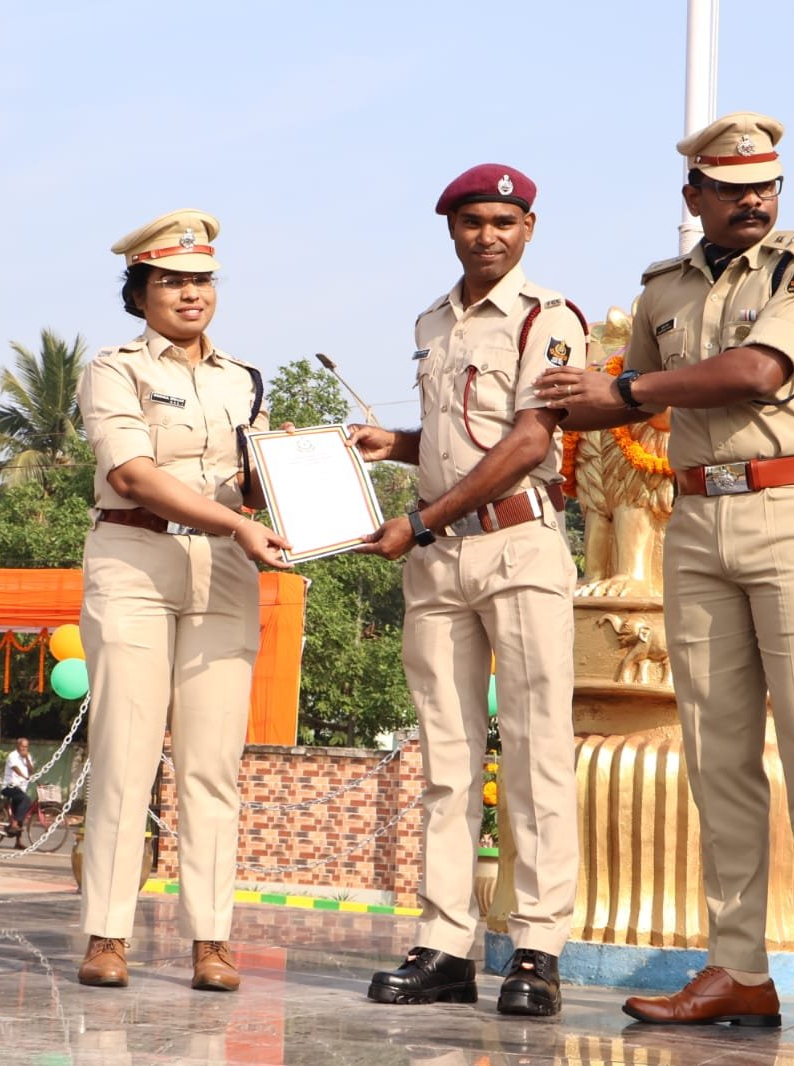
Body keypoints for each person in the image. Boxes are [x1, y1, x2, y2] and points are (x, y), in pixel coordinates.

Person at [535, 113, 794, 1043]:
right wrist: (540, 401)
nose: (752, 200)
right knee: (716, 757)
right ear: (694, 195)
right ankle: (739, 971)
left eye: (764, 184)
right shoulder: (662, 290)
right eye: (730, 189)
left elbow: (758, 369)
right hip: (694, 521)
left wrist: (622, 391)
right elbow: (617, 407)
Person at [352, 165, 584, 1017]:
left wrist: (420, 519)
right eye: (473, 221)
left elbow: (527, 443)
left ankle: (537, 949)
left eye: (504, 221)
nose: (488, 235)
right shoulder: (432, 321)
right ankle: (445, 946)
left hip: (517, 545)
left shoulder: (547, 318)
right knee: (446, 763)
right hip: (440, 557)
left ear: (529, 229)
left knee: (535, 753)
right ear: (450, 229)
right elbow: (460, 438)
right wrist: (397, 443)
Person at [75, 209, 291, 993]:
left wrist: (286, 470)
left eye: (202, 279)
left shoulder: (246, 379)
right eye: (172, 280)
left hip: (225, 568)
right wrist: (237, 518)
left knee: (212, 765)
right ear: (139, 292)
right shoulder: (114, 369)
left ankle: (211, 940)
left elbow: (251, 487)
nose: (191, 293)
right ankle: (107, 934)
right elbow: (132, 474)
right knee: (125, 756)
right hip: (135, 557)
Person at [2, 737, 36, 831]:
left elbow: (31, 771)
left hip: (21, 789)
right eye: (22, 746)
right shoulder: (12, 755)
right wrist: (24, 776)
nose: (24, 749)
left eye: (26, 747)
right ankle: (14, 823)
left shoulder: (28, 756)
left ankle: (17, 837)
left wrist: (27, 759)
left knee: (20, 813)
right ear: (17, 746)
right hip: (10, 787)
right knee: (26, 800)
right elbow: (15, 768)